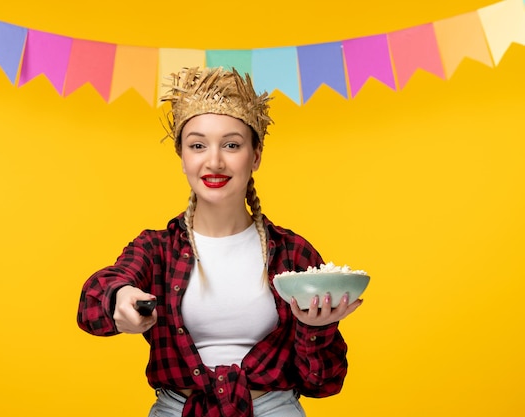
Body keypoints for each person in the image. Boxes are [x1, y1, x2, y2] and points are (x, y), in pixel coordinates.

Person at [77, 67, 363, 417]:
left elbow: (324, 384)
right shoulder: (157, 249)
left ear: (255, 156)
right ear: (182, 157)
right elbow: (91, 304)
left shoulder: (293, 253)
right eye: (197, 145)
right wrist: (119, 297)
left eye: (231, 145)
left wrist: (317, 329)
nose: (214, 161)